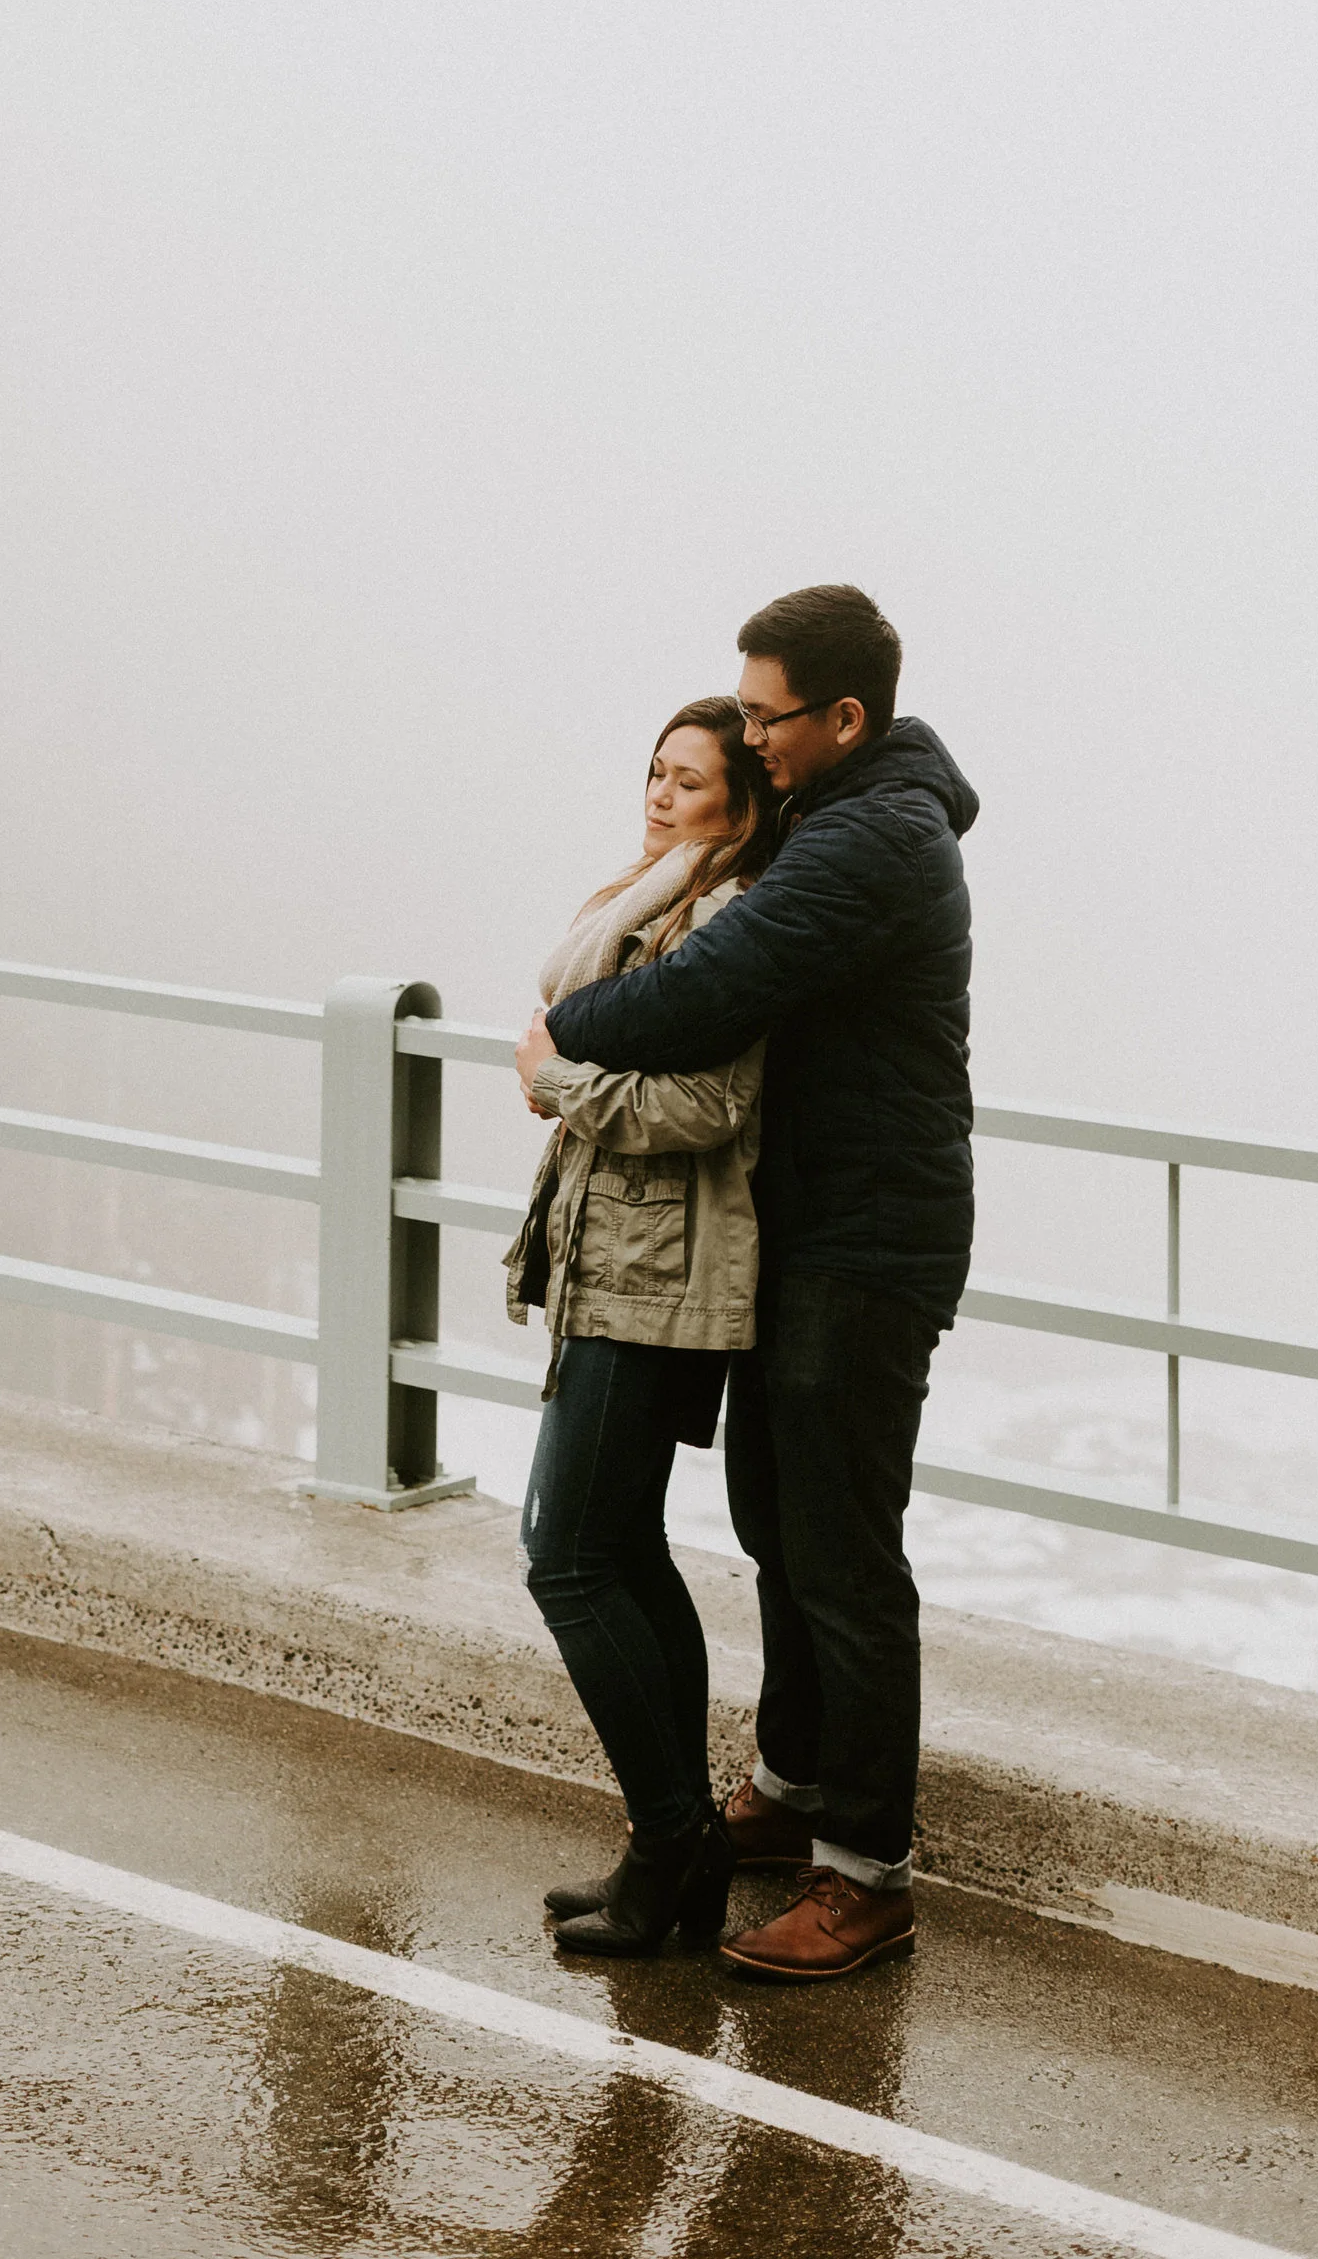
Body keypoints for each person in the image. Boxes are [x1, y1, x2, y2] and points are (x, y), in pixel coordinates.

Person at [516, 583, 976, 1986]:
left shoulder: (875, 840)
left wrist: (562, 1043)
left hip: (865, 1236)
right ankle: (790, 1784)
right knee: (779, 1519)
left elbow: (710, 990)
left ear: (842, 716)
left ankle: (867, 1878)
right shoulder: (845, 816)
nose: (753, 734)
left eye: (768, 714)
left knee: (841, 1554)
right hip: (812, 1226)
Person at [504, 696, 776, 1956]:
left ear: (743, 802)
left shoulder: (725, 919)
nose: (660, 796)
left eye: (690, 781)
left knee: (566, 1556)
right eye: (654, 772)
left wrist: (556, 1081)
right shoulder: (657, 897)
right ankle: (676, 1850)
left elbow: (711, 1103)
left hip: (656, 1273)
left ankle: (673, 1840)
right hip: (615, 1259)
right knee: (621, 1547)